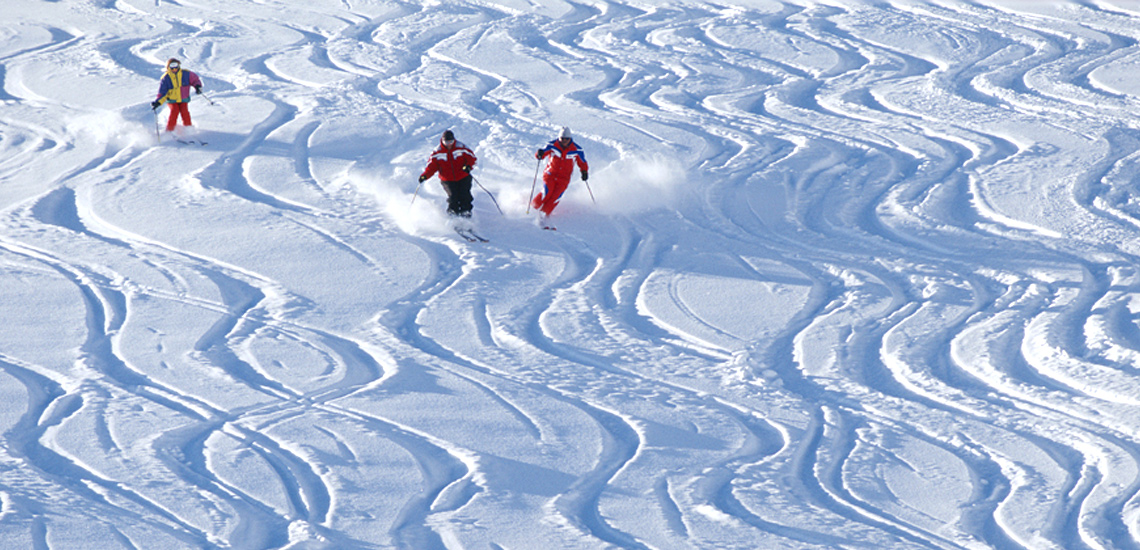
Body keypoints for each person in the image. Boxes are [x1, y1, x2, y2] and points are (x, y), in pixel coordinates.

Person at [418, 130, 477, 217]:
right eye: (447, 142)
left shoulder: (461, 147)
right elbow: (431, 167)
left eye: (451, 141)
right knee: (453, 197)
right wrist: (425, 176)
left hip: (463, 176)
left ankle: (466, 213)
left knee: (465, 195)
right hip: (447, 179)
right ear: (442, 140)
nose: (449, 144)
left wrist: (468, 167)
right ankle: (454, 216)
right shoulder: (437, 152)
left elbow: (472, 158)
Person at [532, 126, 588, 218]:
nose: (564, 141)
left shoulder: (577, 150)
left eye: (566, 139)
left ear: (570, 139)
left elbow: (582, 162)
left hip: (564, 178)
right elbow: (542, 154)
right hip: (550, 174)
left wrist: (584, 171)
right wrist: (539, 153)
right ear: (559, 138)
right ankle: (532, 209)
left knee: (555, 197)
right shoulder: (552, 145)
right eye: (562, 138)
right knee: (547, 192)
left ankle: (544, 215)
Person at [151, 58, 203, 133]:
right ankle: (170, 130)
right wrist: (158, 102)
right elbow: (162, 92)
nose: (174, 68)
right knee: (174, 111)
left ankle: (188, 129)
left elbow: (195, 80)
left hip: (183, 98)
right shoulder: (166, 78)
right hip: (172, 100)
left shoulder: (186, 74)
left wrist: (197, 86)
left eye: (176, 66)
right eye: (172, 66)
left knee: (185, 112)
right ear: (168, 67)